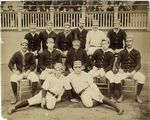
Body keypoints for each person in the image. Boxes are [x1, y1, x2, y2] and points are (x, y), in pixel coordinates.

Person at [115, 35, 146, 103]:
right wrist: (119, 69)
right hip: (124, 71)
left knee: (142, 77)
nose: (129, 43)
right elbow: (117, 63)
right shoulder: (121, 52)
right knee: (116, 78)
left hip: (133, 72)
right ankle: (121, 95)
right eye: (127, 41)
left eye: (130, 41)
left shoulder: (136, 52)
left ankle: (137, 96)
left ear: (133, 42)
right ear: (125, 42)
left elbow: (139, 65)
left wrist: (134, 71)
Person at [8, 39, 39, 104]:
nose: (24, 46)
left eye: (26, 45)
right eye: (23, 45)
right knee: (13, 78)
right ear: (21, 46)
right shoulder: (16, 54)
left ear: (27, 46)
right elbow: (10, 63)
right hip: (20, 72)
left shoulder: (30, 54)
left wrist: (28, 71)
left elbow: (34, 65)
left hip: (28, 72)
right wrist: (14, 71)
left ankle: (32, 95)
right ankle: (15, 96)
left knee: (35, 78)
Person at [88, 37, 116, 102]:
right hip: (96, 69)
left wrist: (105, 71)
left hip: (106, 70)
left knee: (112, 79)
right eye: (103, 44)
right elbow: (91, 59)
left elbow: (111, 65)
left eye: (105, 44)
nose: (104, 45)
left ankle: (111, 96)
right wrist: (93, 66)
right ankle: (91, 94)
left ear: (108, 44)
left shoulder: (111, 54)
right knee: (88, 76)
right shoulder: (98, 51)